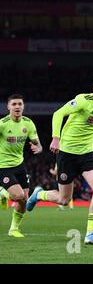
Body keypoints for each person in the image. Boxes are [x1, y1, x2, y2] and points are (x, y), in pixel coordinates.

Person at [26, 74, 93, 245]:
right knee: (64, 200)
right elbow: (58, 114)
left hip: (86, 153)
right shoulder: (82, 100)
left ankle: (90, 233)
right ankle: (39, 194)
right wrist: (56, 137)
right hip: (67, 154)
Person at [0, 94, 42, 237]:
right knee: (18, 195)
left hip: (19, 165)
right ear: (8, 107)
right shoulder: (3, 124)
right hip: (3, 166)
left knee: (24, 199)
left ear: (23, 106)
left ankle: (13, 229)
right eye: (14, 104)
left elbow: (38, 144)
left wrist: (38, 148)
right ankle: (3, 192)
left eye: (19, 104)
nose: (17, 106)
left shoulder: (28, 123)